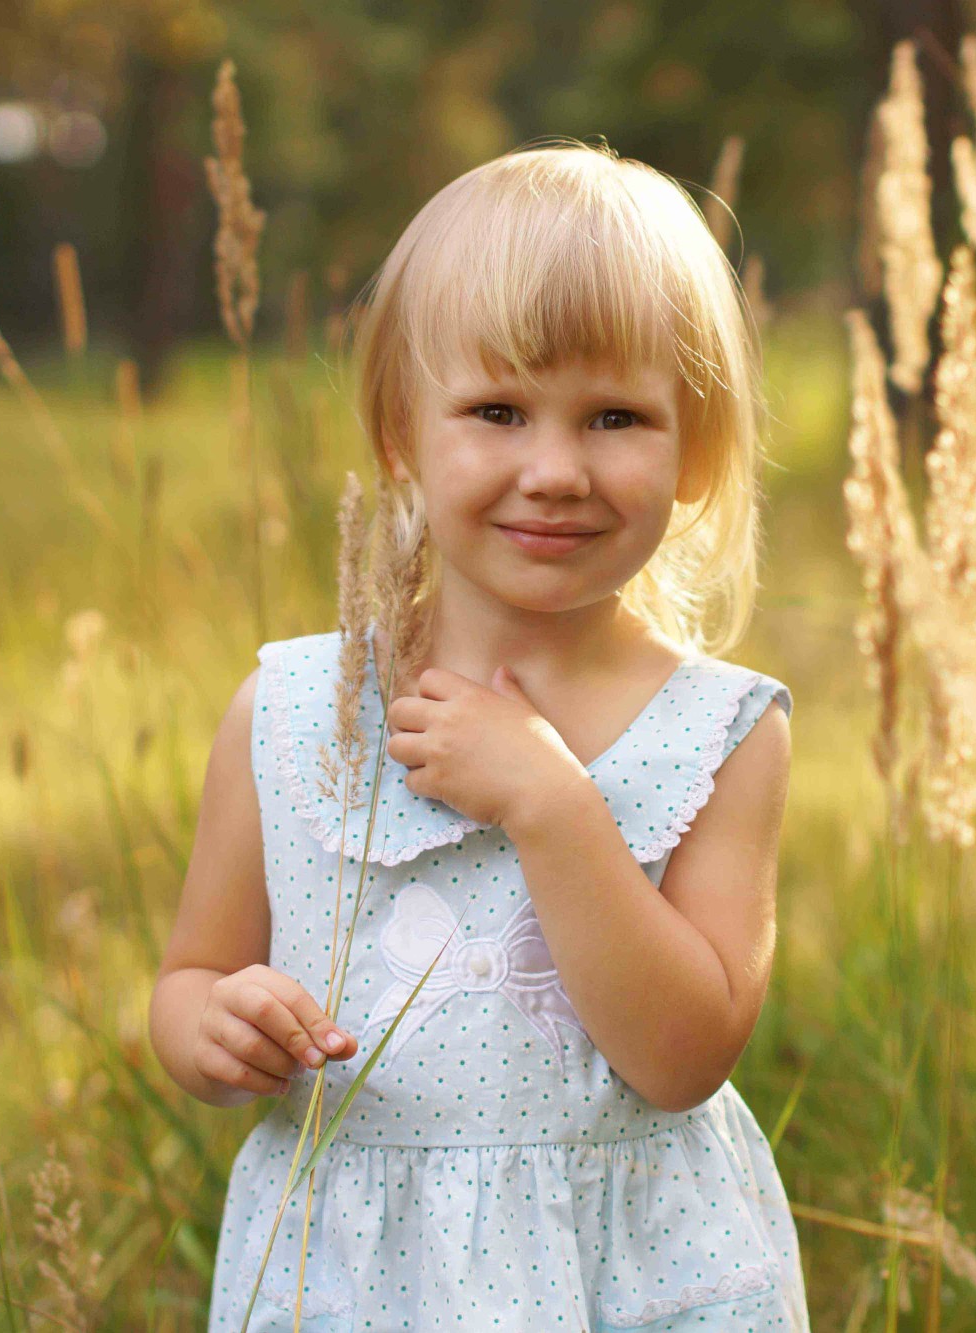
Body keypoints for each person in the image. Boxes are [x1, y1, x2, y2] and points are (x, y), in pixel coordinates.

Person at [149, 138, 809, 1331]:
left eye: (615, 417)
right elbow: (191, 970)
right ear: (401, 432)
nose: (553, 470)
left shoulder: (719, 735)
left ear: (696, 449)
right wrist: (211, 1029)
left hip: (627, 1272)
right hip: (352, 1277)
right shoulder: (291, 714)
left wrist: (551, 805)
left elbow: (680, 1056)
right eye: (496, 410)